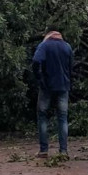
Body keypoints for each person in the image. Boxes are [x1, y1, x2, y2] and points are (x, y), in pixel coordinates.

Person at [32, 30, 73, 159]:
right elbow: (71, 67)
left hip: (47, 87)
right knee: (62, 117)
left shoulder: (44, 45)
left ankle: (44, 150)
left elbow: (36, 61)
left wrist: (39, 78)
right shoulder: (67, 46)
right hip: (63, 86)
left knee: (43, 116)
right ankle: (63, 151)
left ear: (48, 37)